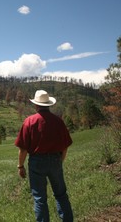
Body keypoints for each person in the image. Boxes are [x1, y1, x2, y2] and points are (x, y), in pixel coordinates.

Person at [15, 90, 73, 222]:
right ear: (48, 105)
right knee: (61, 195)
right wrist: (60, 161)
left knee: (40, 199)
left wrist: (20, 166)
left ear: (36, 105)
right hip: (55, 160)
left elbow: (23, 149)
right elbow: (65, 146)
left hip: (36, 163)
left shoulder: (29, 121)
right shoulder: (58, 121)